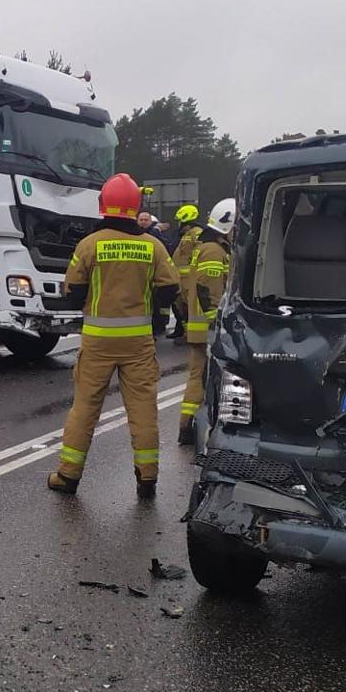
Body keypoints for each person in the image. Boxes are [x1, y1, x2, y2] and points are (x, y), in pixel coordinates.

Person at [47, 173, 180, 498]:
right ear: (136, 208)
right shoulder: (153, 246)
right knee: (143, 408)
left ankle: (68, 476)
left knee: (85, 407)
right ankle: (147, 477)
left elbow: (72, 293)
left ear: (103, 205)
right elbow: (170, 289)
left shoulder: (89, 245)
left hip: (97, 342)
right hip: (137, 343)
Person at [178, 199, 234, 445]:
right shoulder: (213, 249)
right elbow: (208, 288)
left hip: (201, 325)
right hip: (207, 327)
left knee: (198, 376)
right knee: (204, 377)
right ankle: (193, 428)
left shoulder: (211, 246)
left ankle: (189, 426)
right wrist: (215, 324)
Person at [169, 203, 202, 340]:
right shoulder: (186, 234)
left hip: (189, 279)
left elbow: (200, 253)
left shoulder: (196, 233)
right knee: (181, 307)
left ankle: (191, 336)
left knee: (189, 308)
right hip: (181, 279)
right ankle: (185, 333)